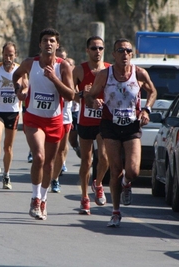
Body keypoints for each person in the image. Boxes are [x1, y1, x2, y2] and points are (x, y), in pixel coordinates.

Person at [87, 38, 157, 227]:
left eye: (128, 51)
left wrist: (146, 110)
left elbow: (153, 92)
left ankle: (127, 183)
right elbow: (90, 95)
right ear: (114, 54)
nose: (124, 54)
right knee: (115, 169)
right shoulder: (104, 74)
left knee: (133, 171)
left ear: (131, 54)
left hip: (132, 126)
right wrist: (95, 101)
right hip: (110, 125)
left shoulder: (140, 73)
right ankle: (115, 212)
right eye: (120, 51)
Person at [12, 28, 75, 220]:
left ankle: (44, 199)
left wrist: (54, 79)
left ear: (57, 45)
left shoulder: (63, 67)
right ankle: (34, 197)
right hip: (33, 118)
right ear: (40, 44)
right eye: (45, 40)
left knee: (49, 163)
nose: (49, 43)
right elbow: (16, 76)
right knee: (38, 157)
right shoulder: (30, 63)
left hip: (54, 120)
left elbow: (71, 95)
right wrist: (19, 90)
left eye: (52, 41)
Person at [72, 36, 111, 215]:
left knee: (104, 157)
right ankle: (84, 197)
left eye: (100, 48)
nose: (97, 51)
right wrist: (82, 94)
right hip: (86, 121)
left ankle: (98, 183)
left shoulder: (110, 70)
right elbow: (69, 93)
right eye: (94, 48)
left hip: (104, 120)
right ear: (87, 50)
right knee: (86, 161)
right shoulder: (79, 70)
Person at [0, 42, 26, 189]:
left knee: (8, 147)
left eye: (11, 55)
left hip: (13, 111)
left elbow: (26, 85)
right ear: (2, 54)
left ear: (15, 55)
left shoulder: (20, 70)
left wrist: (22, 92)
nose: (8, 57)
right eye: (5, 55)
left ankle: (7, 175)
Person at [50, 47, 76, 193]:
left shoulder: (70, 72)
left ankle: (55, 179)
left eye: (63, 58)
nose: (60, 60)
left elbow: (74, 94)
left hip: (65, 117)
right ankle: (46, 175)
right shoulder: (46, 70)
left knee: (60, 151)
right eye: (58, 57)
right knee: (47, 151)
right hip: (48, 115)